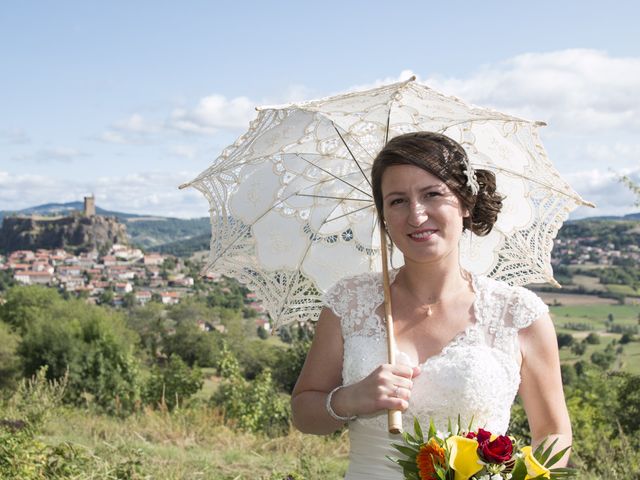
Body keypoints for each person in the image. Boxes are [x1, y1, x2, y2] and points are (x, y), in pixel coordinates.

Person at [291, 132, 572, 479]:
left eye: (432, 194)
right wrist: (350, 400)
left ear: (466, 203)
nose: (416, 215)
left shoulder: (518, 314)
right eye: (397, 201)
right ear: (383, 216)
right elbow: (303, 413)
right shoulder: (348, 303)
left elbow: (554, 434)